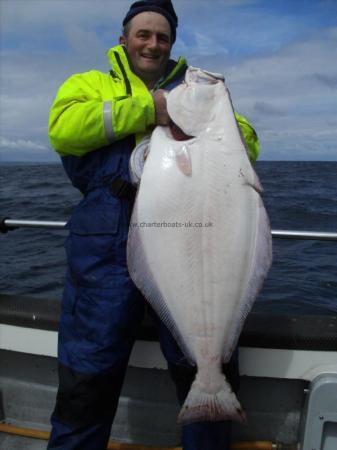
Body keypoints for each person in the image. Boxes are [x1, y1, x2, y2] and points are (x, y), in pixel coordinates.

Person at [47, 1, 259, 449]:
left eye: (162, 37)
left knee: (200, 359)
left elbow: (247, 142)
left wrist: (205, 111)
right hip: (104, 244)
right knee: (89, 372)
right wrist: (150, 108)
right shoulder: (90, 84)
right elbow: (64, 130)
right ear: (124, 38)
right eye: (143, 34)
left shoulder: (195, 89)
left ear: (171, 44)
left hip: (187, 233)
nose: (152, 43)